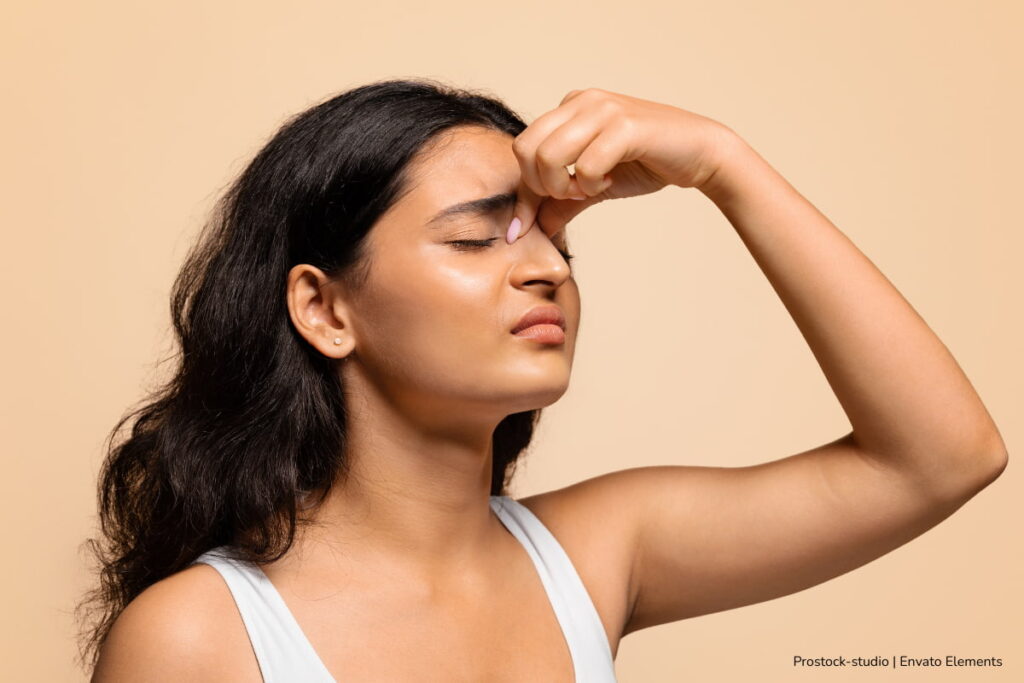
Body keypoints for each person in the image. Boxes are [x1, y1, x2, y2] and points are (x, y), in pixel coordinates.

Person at [80, 78, 1007, 681]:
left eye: (556, 239)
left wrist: (727, 166)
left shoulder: (599, 553)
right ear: (324, 309)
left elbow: (942, 458)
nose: (548, 270)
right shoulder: (199, 639)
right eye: (476, 236)